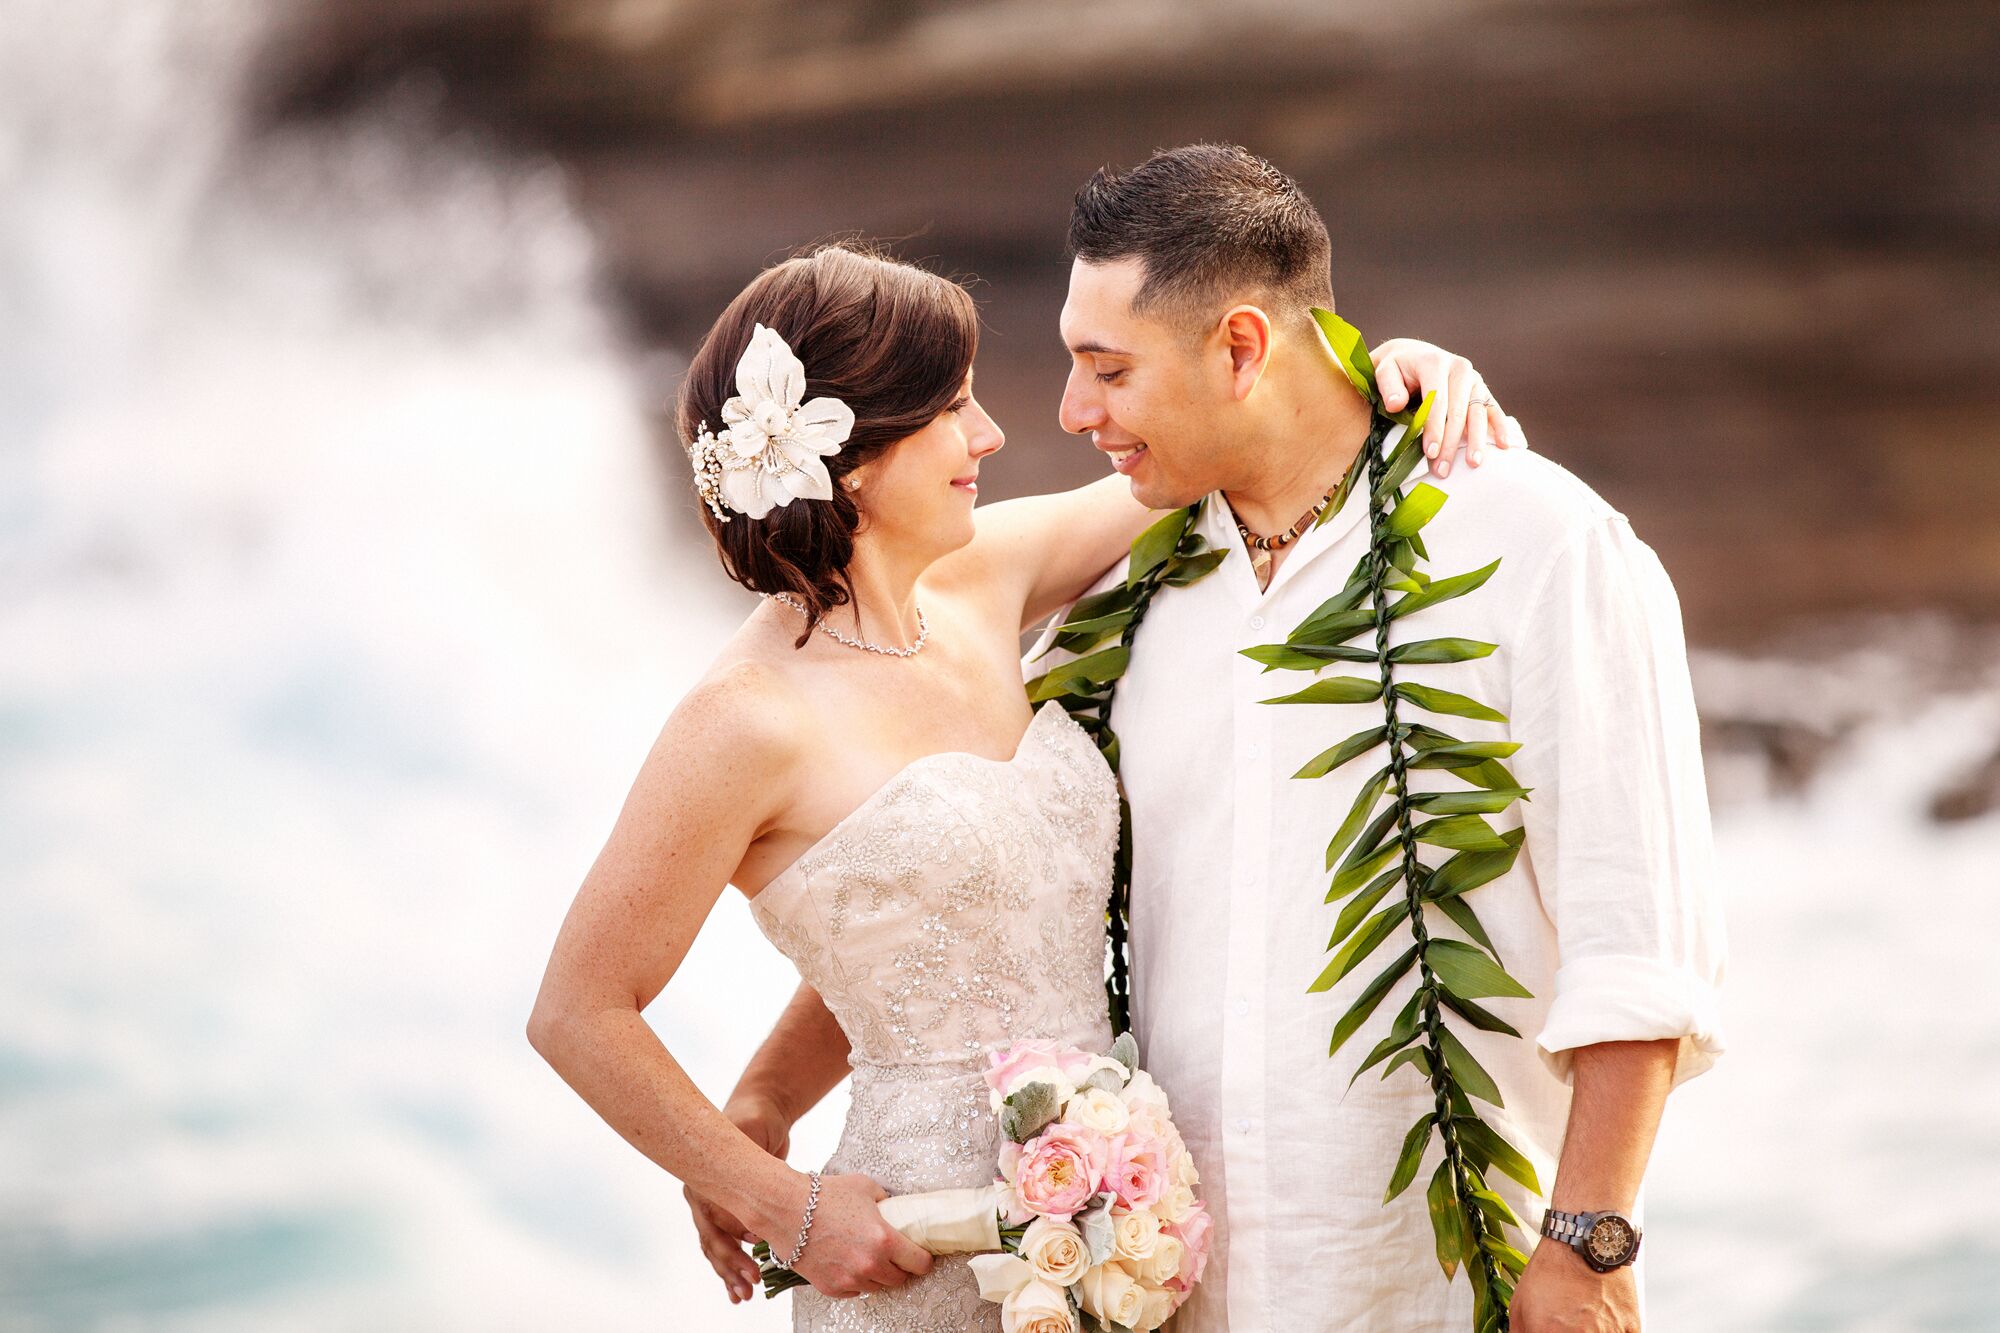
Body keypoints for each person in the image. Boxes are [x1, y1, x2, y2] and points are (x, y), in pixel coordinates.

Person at [527, 240, 1517, 1330]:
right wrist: (781, 1204)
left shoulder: (981, 577)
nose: (990, 434)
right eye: (952, 409)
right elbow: (578, 1010)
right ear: (850, 457)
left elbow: (1192, 458)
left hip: (1123, 1228)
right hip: (916, 1246)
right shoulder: (742, 719)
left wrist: (1374, 377)